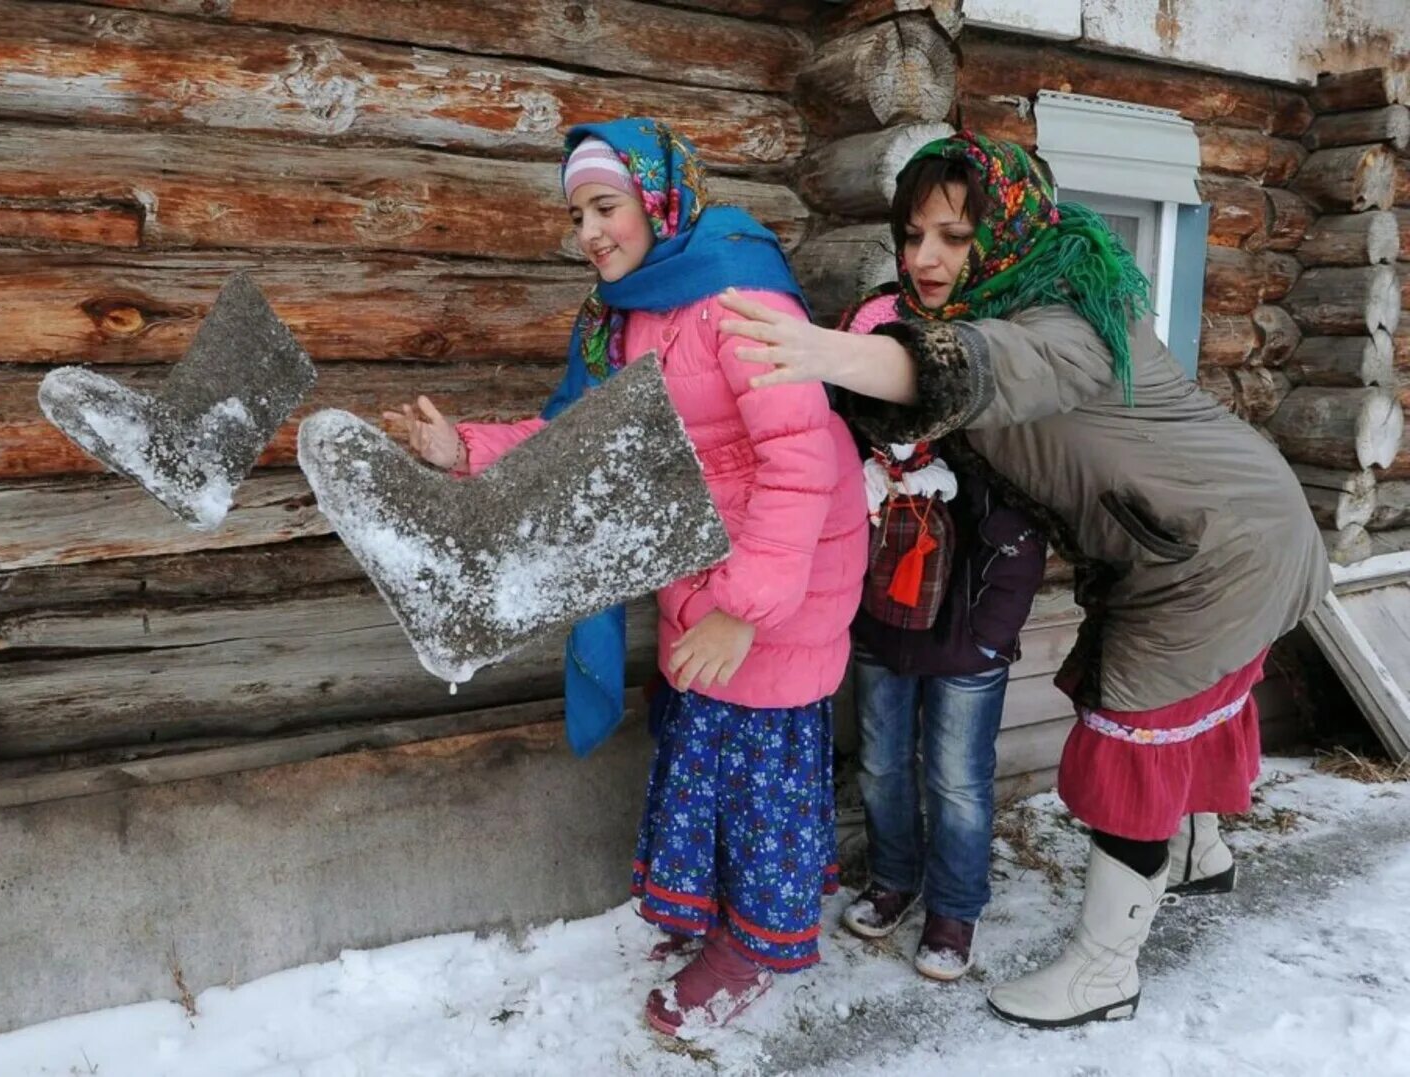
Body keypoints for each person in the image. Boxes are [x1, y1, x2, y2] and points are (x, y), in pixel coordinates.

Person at [716, 130, 1328, 1029]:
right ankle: (1196, 851)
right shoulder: (1008, 301)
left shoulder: (1067, 320)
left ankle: (1101, 970)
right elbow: (933, 390)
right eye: (914, 233)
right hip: (1204, 533)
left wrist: (822, 353)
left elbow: (982, 366)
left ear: (1003, 232)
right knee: (1183, 704)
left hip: (1215, 552)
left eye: (954, 238)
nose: (925, 258)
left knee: (1133, 733)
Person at [384, 118, 867, 1035]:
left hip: (778, 582)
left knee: (757, 772)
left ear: (657, 197)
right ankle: (718, 914)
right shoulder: (632, 315)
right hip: (703, 573)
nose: (590, 233)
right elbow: (581, 445)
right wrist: (464, 450)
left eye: (605, 206)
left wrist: (743, 612)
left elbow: (801, 461)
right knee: (704, 753)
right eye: (577, 215)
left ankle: (758, 944)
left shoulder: (740, 299)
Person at [839, 293, 1046, 982]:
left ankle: (955, 905)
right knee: (883, 764)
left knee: (956, 779)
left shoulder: (979, 437)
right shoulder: (853, 443)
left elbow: (1019, 538)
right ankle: (894, 877)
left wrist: (990, 635)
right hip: (880, 631)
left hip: (965, 639)